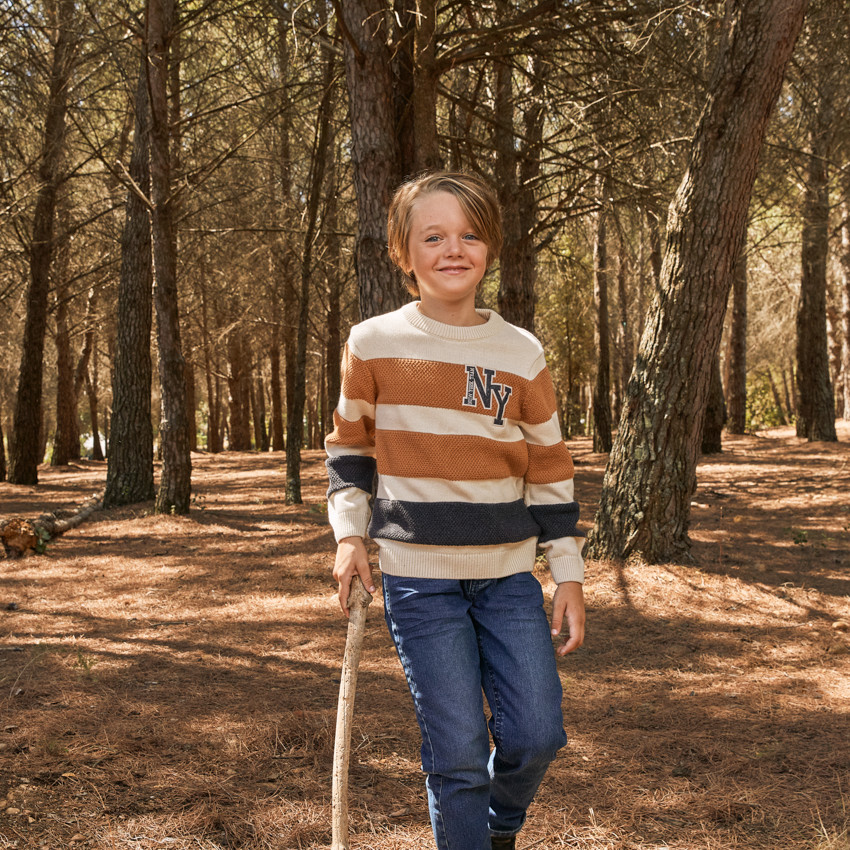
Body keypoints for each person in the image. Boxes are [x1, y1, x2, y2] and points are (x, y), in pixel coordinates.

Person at [325, 171, 585, 850]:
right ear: (402, 252)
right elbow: (349, 451)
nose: (453, 248)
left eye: (470, 234)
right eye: (433, 235)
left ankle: (499, 828)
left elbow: (551, 468)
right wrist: (350, 537)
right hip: (420, 582)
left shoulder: (520, 353)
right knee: (460, 753)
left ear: (490, 249)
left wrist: (569, 573)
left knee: (536, 732)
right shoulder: (372, 343)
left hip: (507, 578)